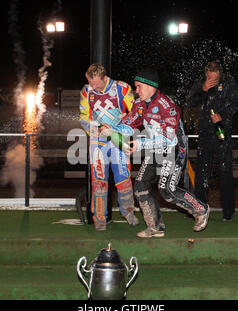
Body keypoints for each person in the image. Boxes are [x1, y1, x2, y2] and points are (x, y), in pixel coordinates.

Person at [107, 68, 209, 238]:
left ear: (150, 86)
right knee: (140, 187)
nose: (136, 90)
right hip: (155, 147)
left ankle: (200, 209)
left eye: (139, 86)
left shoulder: (167, 106)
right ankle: (155, 227)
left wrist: (139, 144)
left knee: (167, 189)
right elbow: (128, 123)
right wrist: (112, 129)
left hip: (174, 148)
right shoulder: (139, 104)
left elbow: (169, 140)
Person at [79, 63, 138, 231]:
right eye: (91, 83)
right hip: (98, 141)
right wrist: (94, 130)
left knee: (123, 178)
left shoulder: (122, 88)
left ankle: (128, 212)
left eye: (96, 83)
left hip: (118, 138)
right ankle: (99, 219)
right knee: (99, 180)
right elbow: (83, 116)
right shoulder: (86, 91)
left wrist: (116, 130)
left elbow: (135, 114)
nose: (93, 87)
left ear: (105, 78)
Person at [186, 61, 238, 221]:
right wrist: (202, 89)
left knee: (225, 172)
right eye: (210, 78)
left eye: (215, 79)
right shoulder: (200, 82)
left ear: (220, 74)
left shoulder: (229, 82)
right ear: (206, 74)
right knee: (201, 174)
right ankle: (199, 210)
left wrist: (223, 115)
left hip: (222, 132)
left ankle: (228, 213)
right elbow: (190, 101)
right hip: (204, 133)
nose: (213, 81)